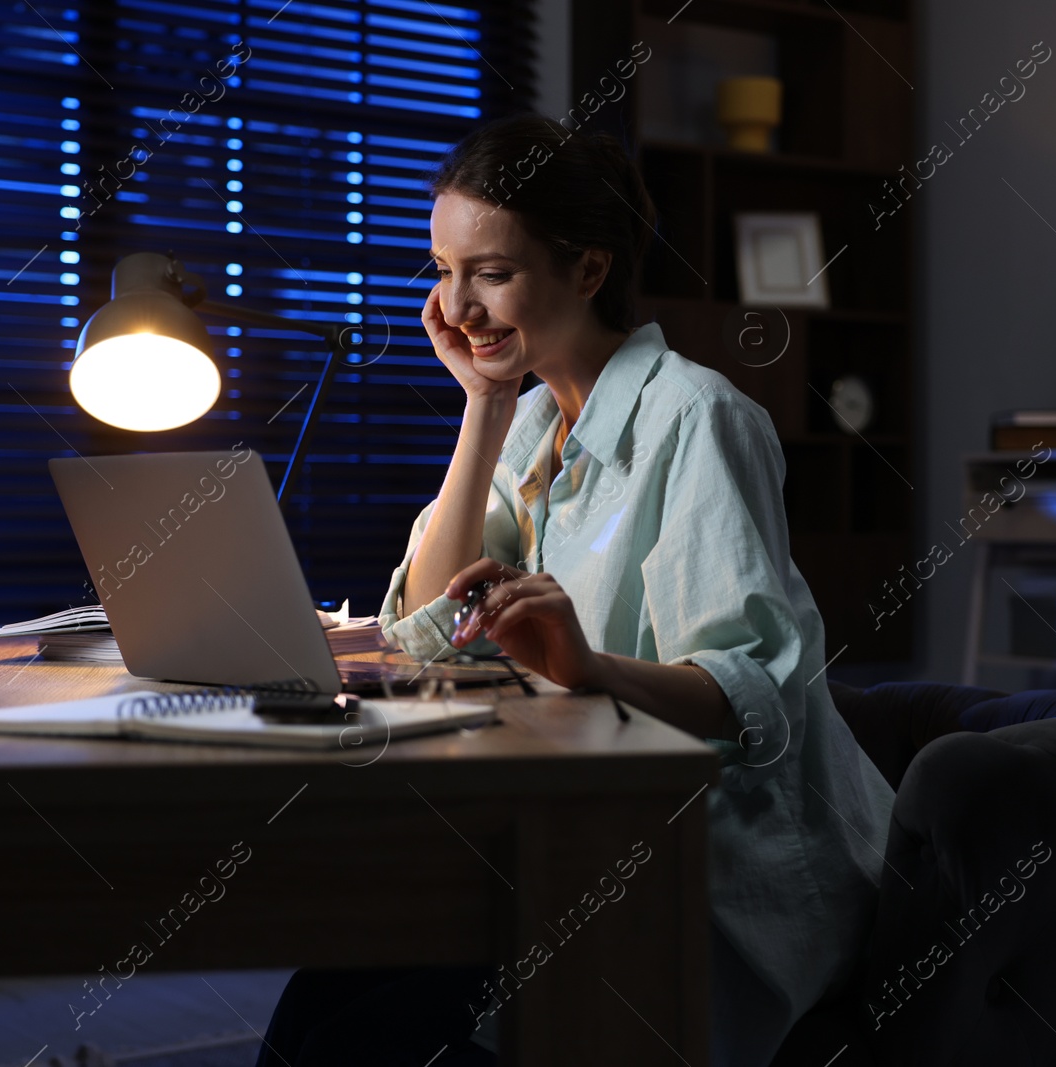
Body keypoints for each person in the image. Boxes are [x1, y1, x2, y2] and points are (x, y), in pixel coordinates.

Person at [255, 112, 895, 1067]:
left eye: (492, 272)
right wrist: (481, 405)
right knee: (319, 1000)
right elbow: (424, 630)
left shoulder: (697, 416)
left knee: (367, 1038)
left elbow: (752, 690)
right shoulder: (531, 422)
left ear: (589, 269)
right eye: (442, 269)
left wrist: (587, 665)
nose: (458, 304)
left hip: (722, 873)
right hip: (583, 846)